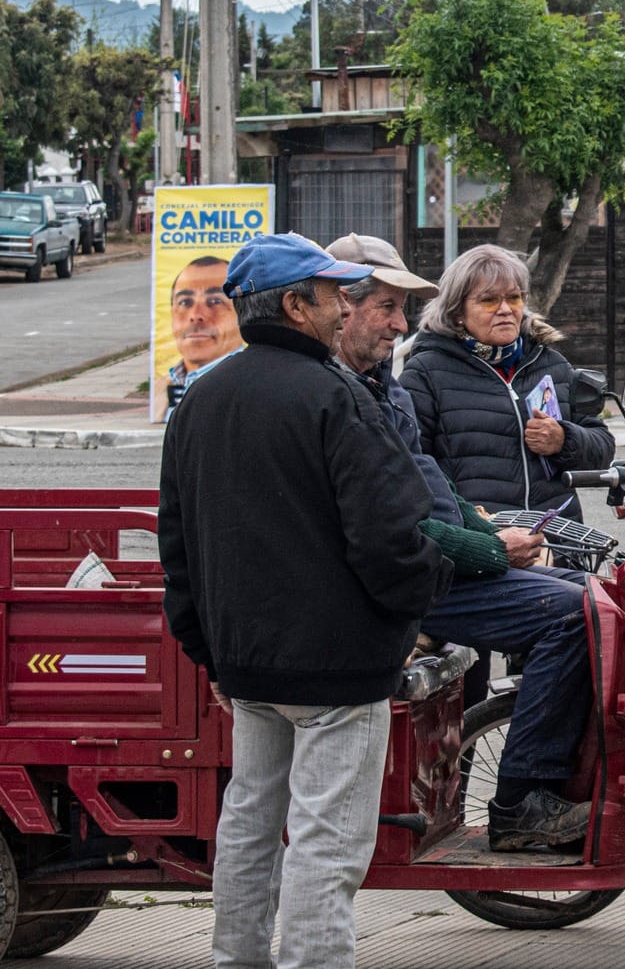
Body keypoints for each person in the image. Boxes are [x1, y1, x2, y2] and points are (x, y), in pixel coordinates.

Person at [157, 232, 452, 969]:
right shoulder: (336, 396)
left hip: (246, 666)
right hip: (338, 669)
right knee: (327, 841)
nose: (345, 306)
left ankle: (237, 959)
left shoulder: (199, 399)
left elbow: (178, 547)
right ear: (295, 305)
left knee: (250, 821)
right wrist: (408, 617)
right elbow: (394, 537)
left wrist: (208, 651)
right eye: (332, 294)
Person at [324, 233, 594, 852]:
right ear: (338, 306)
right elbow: (392, 524)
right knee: (575, 614)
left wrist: (485, 528)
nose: (401, 324)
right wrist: (490, 549)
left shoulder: (381, 383)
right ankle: (521, 801)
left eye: (514, 298)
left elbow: (429, 482)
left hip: (442, 557)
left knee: (592, 596)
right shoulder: (363, 389)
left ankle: (542, 786)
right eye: (387, 308)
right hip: (402, 577)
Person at [402, 244, 615, 517]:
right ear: (457, 312)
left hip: (558, 534)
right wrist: (470, 527)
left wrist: (564, 439)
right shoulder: (426, 373)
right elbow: (412, 468)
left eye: (514, 298)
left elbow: (602, 449)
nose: (505, 309)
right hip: (483, 536)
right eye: (489, 300)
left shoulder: (551, 365)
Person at [166, 255, 243, 411]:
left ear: (242, 313)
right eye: (185, 302)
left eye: (216, 301)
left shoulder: (252, 386)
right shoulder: (160, 394)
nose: (196, 315)